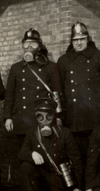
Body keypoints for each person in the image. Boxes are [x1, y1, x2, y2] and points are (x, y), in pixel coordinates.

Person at [57, 21, 100, 164]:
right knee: (78, 156)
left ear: (88, 39)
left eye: (82, 39)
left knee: (98, 155)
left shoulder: (99, 57)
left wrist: (99, 100)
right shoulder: (64, 61)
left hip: (95, 117)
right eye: (75, 40)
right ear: (71, 41)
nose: (79, 43)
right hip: (74, 117)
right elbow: (58, 88)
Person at [17, 98, 83, 191]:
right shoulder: (32, 133)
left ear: (54, 116)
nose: (45, 121)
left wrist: (78, 186)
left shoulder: (64, 133)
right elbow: (21, 154)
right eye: (40, 117)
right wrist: (31, 154)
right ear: (36, 117)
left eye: (49, 116)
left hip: (58, 176)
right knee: (26, 166)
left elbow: (76, 160)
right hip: (41, 175)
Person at [4, 28, 63, 161]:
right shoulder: (16, 68)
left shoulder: (50, 67)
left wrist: (58, 116)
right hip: (21, 120)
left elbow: (56, 94)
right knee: (24, 156)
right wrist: (7, 117)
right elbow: (9, 95)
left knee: (44, 156)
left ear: (40, 46)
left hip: (42, 120)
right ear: (22, 46)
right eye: (26, 44)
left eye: (34, 44)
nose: (29, 47)